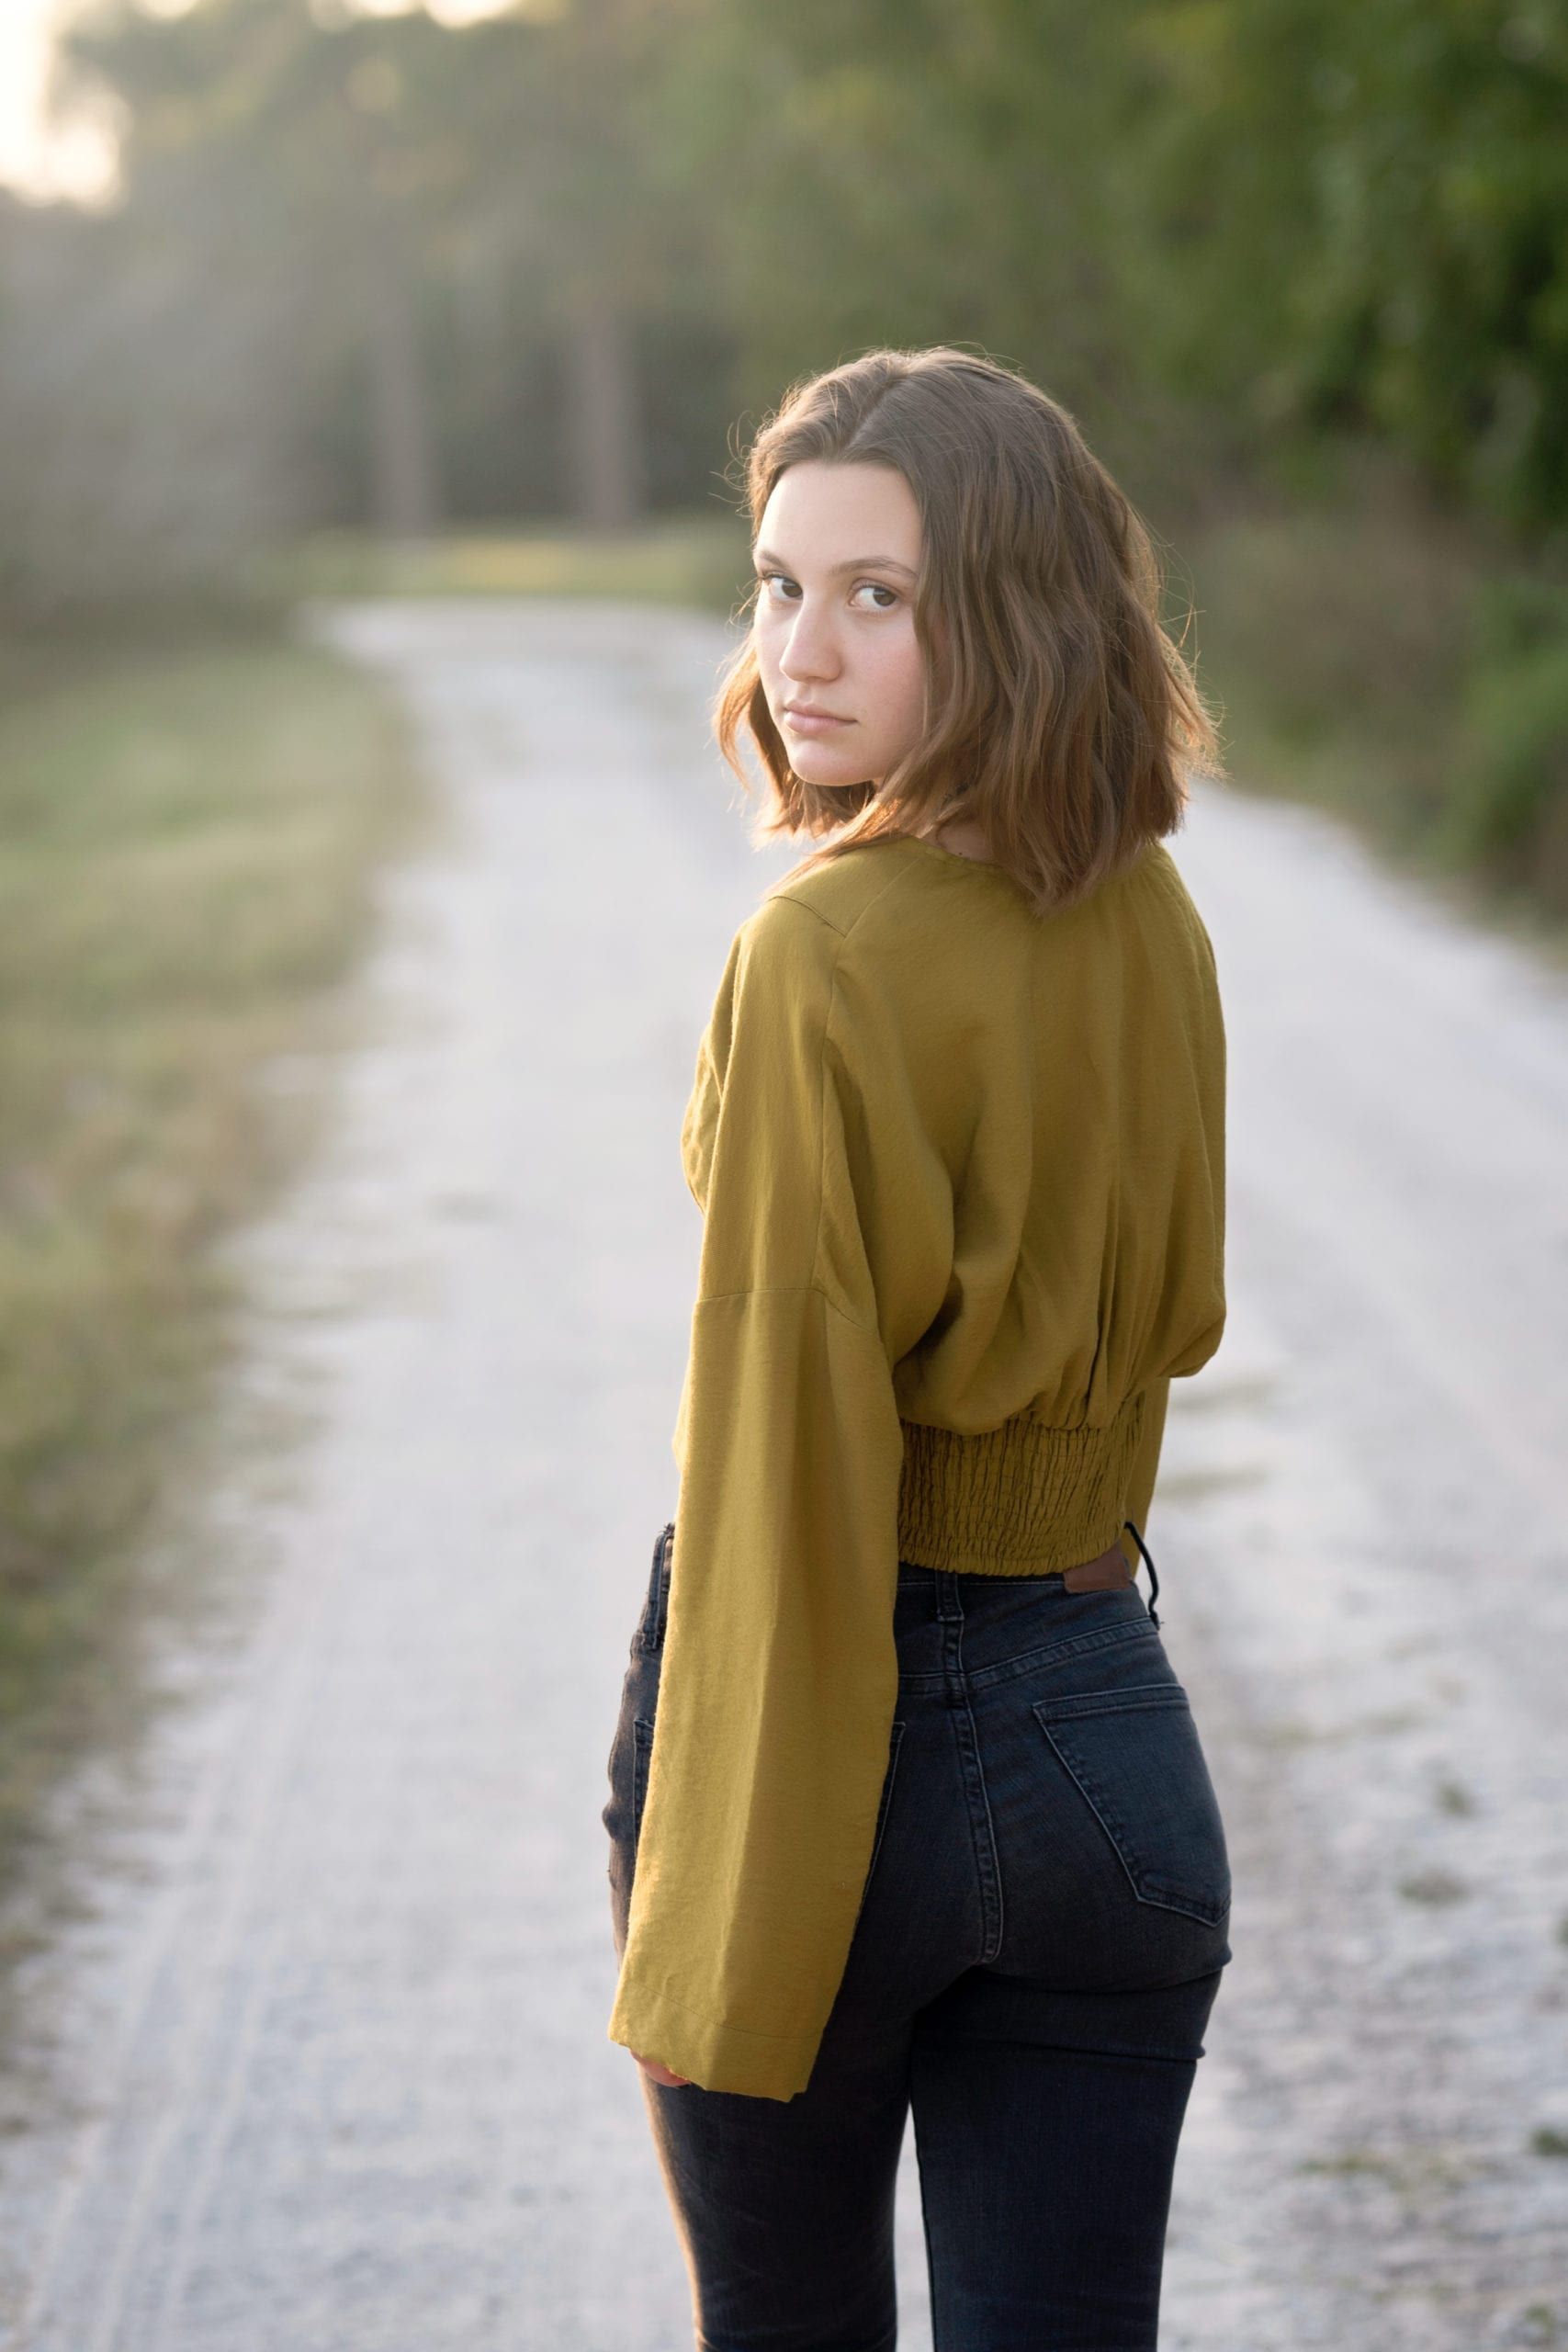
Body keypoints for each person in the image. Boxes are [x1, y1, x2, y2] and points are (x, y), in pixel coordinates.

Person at [601, 345, 1233, 2350]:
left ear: (1016, 612)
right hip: (1107, 1743)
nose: (802, 647)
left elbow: (784, 1460)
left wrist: (720, 1909)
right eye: (780, 584)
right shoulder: (1146, 913)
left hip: (825, 1737)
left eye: (878, 592)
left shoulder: (814, 952)